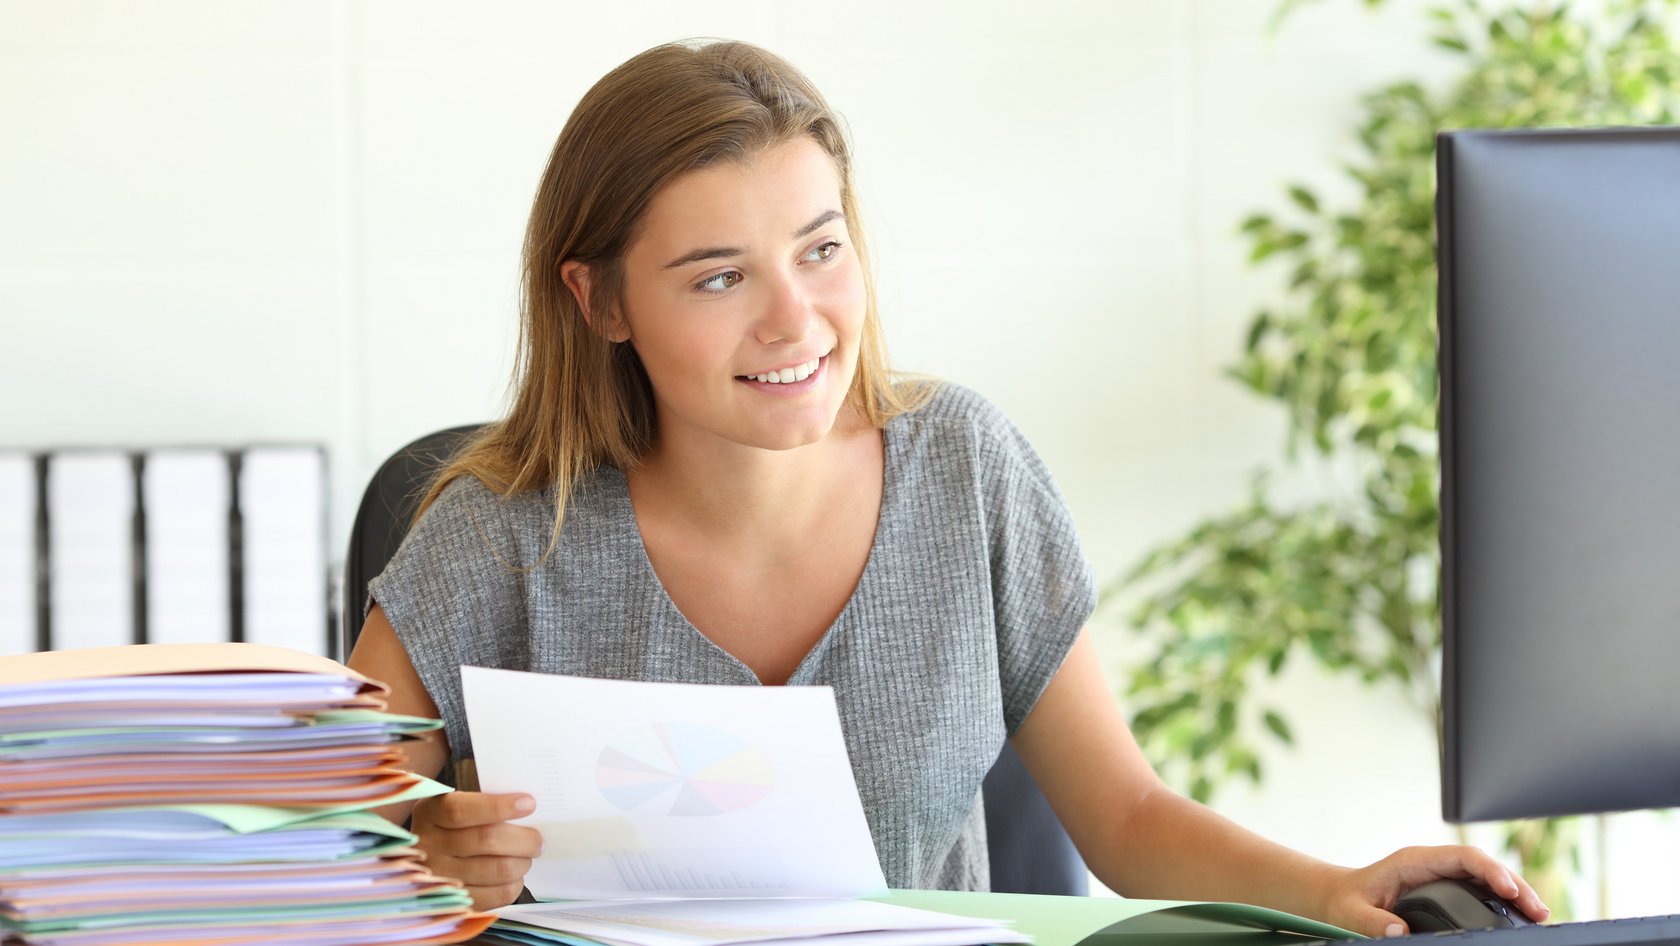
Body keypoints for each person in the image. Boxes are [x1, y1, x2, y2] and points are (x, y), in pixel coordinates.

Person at [347, 38, 1550, 935]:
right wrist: (412, 866)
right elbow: (315, 855)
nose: (794, 318)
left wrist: (1331, 887)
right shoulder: (494, 536)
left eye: (821, 248)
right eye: (718, 277)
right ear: (600, 301)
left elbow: (1125, 817)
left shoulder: (963, 468)